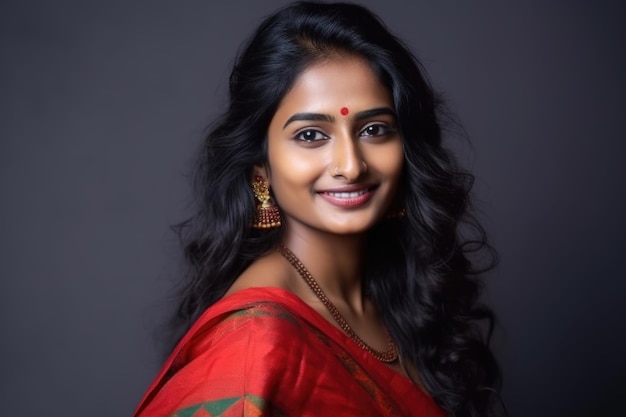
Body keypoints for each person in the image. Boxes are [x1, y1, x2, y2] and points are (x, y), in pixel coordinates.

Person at [133, 2, 502, 416]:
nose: (351, 164)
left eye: (374, 129)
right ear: (262, 170)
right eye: (311, 135)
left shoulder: (397, 297)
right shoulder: (257, 346)